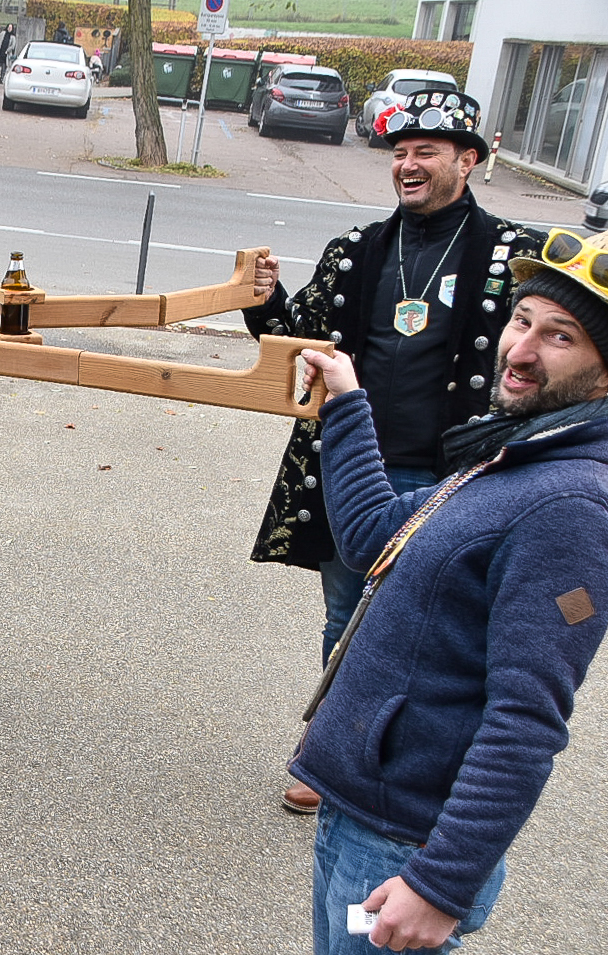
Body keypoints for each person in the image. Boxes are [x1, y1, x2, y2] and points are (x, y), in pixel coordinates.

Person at [292, 227, 608, 954]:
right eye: (522, 320)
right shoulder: (515, 455)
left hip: (403, 849)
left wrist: (440, 883)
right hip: (360, 816)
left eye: (560, 336)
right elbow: (374, 536)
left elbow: (525, 719)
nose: (520, 350)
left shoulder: (570, 506)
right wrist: (346, 401)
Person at [240, 90, 544, 814]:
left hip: (462, 473)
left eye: (425, 152)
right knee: (347, 617)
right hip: (358, 467)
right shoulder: (356, 250)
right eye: (400, 153)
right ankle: (332, 754)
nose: (407, 164)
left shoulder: (516, 255)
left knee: (446, 622)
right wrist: (261, 296)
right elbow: (291, 333)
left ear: (466, 161)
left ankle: (430, 765)